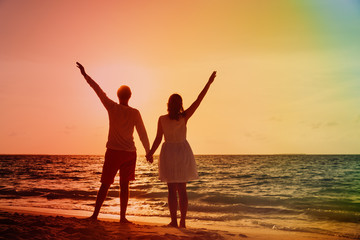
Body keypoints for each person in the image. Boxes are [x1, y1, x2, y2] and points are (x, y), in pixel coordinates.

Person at [76, 62, 153, 223]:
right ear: (130, 96)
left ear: (118, 96)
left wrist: (85, 74)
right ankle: (122, 218)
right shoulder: (135, 112)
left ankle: (95, 215)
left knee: (105, 184)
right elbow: (142, 134)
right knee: (124, 186)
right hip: (129, 153)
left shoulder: (112, 107)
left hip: (113, 152)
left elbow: (97, 90)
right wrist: (148, 151)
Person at [146, 71, 217, 228]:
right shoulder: (184, 116)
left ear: (168, 104)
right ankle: (182, 221)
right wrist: (209, 83)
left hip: (169, 153)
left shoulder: (162, 119)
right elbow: (198, 101)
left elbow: (158, 139)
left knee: (172, 190)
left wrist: (150, 153)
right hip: (183, 152)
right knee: (182, 190)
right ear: (180, 105)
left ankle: (174, 221)